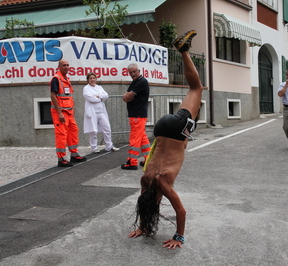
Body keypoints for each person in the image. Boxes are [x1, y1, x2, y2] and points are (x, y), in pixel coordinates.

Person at [128, 29, 202, 250]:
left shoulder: (160, 182)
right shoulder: (146, 178)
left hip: (176, 130)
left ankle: (184, 51)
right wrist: (142, 227)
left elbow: (181, 210)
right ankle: (183, 51)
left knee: (196, 88)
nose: (159, 203)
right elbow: (144, 204)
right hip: (161, 129)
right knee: (193, 95)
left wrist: (178, 237)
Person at [50, 59, 87, 167]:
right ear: (59, 67)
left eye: (67, 65)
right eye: (64, 65)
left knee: (73, 131)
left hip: (69, 112)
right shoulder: (56, 79)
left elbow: (68, 97)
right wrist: (59, 113)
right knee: (61, 135)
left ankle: (74, 154)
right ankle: (61, 158)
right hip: (60, 113)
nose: (66, 67)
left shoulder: (66, 79)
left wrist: (72, 110)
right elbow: (53, 96)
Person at [121, 63, 151, 170]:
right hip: (138, 115)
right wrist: (127, 96)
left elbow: (128, 96)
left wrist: (127, 96)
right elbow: (127, 96)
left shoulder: (141, 82)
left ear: (139, 71)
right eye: (131, 72)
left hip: (137, 115)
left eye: (134, 72)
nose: (133, 74)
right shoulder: (136, 82)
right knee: (143, 138)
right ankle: (149, 159)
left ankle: (132, 162)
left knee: (134, 139)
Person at [83, 72, 119, 153]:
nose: (92, 80)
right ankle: (94, 148)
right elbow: (90, 98)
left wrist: (98, 96)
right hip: (92, 112)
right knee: (93, 130)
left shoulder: (99, 87)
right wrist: (100, 98)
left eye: (93, 78)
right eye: (90, 78)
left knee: (107, 128)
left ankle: (109, 146)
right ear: (88, 80)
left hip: (101, 111)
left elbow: (106, 95)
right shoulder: (86, 88)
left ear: (96, 79)